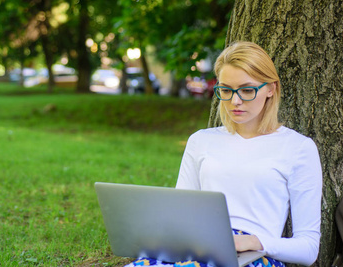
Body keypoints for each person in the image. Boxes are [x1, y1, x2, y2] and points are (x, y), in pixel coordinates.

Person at [126, 41, 323, 267]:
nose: (235, 101)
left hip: (254, 257)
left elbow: (308, 248)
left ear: (271, 89)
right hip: (197, 248)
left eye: (247, 90)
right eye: (226, 90)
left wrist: (255, 242)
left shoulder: (298, 148)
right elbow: (181, 214)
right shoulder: (201, 140)